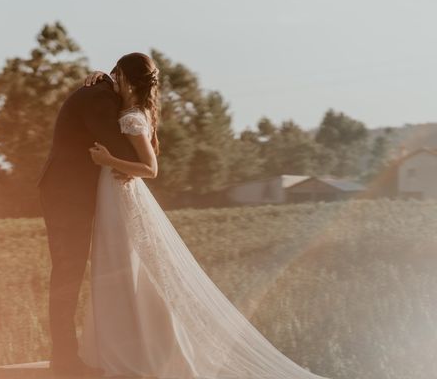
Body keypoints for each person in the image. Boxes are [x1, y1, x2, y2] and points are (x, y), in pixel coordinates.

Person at [74, 52, 332, 379]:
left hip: (121, 194)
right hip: (113, 194)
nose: (112, 80)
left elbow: (150, 169)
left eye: (116, 74)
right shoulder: (131, 111)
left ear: (127, 79)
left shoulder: (133, 118)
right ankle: (123, 347)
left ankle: (148, 350)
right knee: (119, 268)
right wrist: (99, 75)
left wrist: (110, 160)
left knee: (128, 269)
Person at [37, 55, 139, 377]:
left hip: (71, 193)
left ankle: (68, 357)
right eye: (133, 86)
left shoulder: (103, 92)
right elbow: (120, 149)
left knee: (71, 274)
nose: (134, 94)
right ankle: (65, 361)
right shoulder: (99, 96)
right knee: (68, 275)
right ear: (121, 77)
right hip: (67, 196)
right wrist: (142, 124)